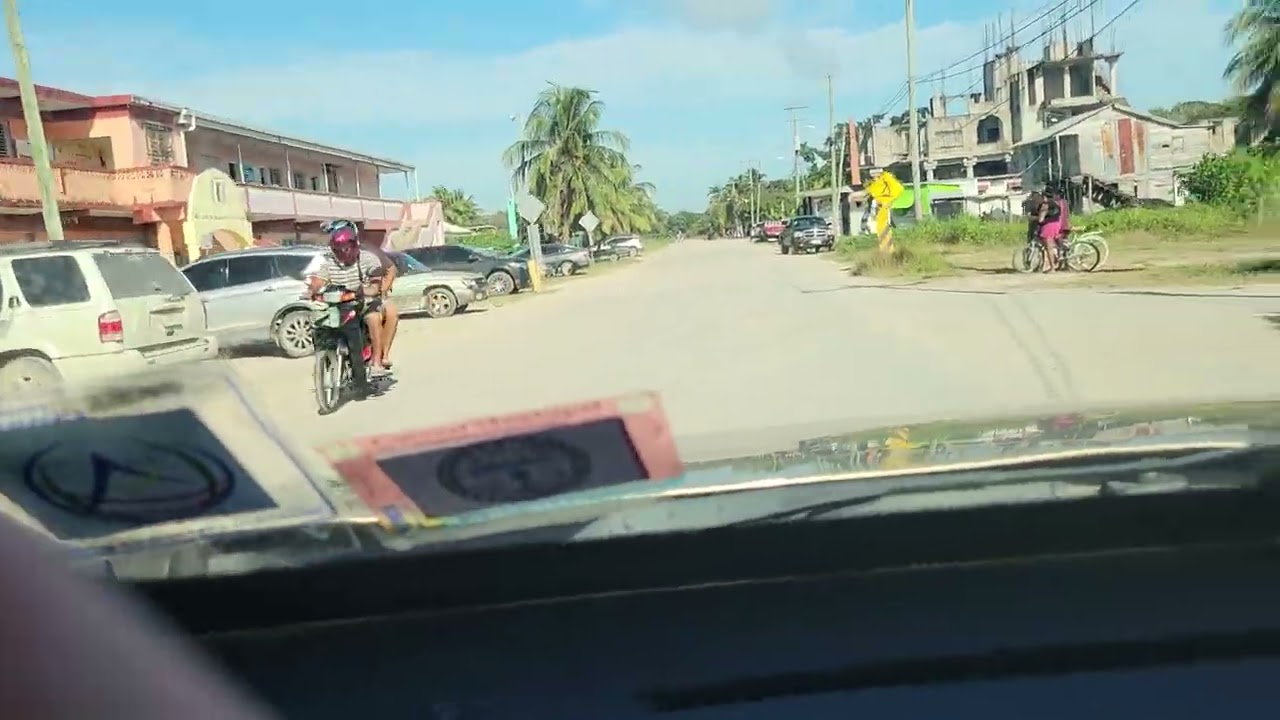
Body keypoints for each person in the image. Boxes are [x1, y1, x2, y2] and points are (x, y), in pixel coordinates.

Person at [305, 221, 385, 397]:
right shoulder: (329, 262)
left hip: (362, 302)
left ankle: (371, 369)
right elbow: (320, 279)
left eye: (346, 249)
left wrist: (368, 289)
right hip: (337, 305)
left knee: (363, 329)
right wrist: (311, 290)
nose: (342, 253)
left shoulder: (368, 259)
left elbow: (375, 283)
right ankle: (325, 360)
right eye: (338, 250)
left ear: (355, 245)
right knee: (319, 327)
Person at [358, 236, 400, 370]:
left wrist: (383, 289)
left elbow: (391, 268)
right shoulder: (330, 255)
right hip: (346, 297)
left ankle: (383, 355)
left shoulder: (369, 251)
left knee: (391, 312)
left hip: (371, 295)